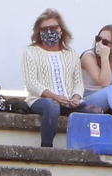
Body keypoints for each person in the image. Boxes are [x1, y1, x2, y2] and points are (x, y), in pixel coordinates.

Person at [23, 9, 86, 148]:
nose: (49, 32)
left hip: (68, 102)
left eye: (53, 28)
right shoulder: (31, 52)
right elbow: (32, 82)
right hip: (40, 101)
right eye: (45, 29)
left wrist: (76, 97)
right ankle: (46, 148)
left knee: (95, 110)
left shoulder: (71, 54)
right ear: (39, 32)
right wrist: (55, 97)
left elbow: (78, 82)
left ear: (61, 30)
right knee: (52, 106)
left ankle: (87, 148)